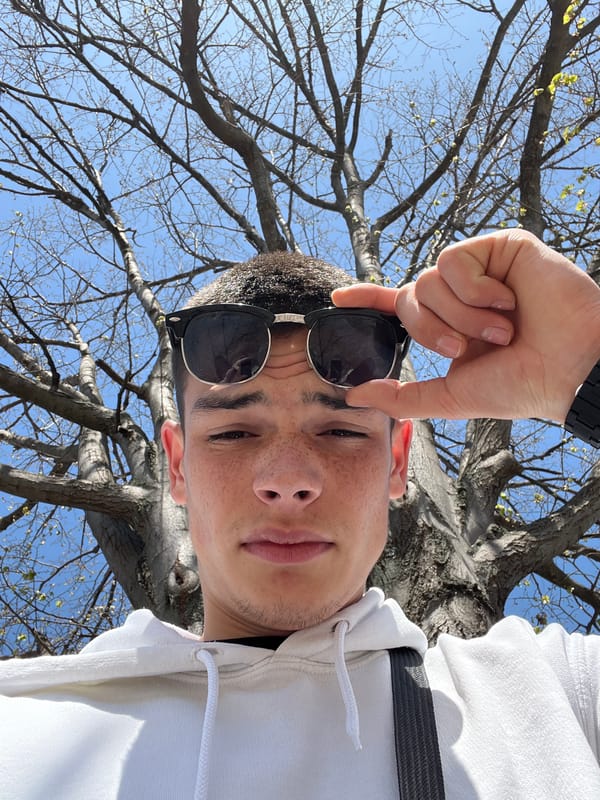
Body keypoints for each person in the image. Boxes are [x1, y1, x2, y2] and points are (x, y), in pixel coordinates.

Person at [1, 229, 599, 799]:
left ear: (397, 462)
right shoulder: (22, 725)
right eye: (234, 432)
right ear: (177, 467)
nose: (288, 481)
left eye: (340, 429)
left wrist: (583, 373)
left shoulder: (558, 698)